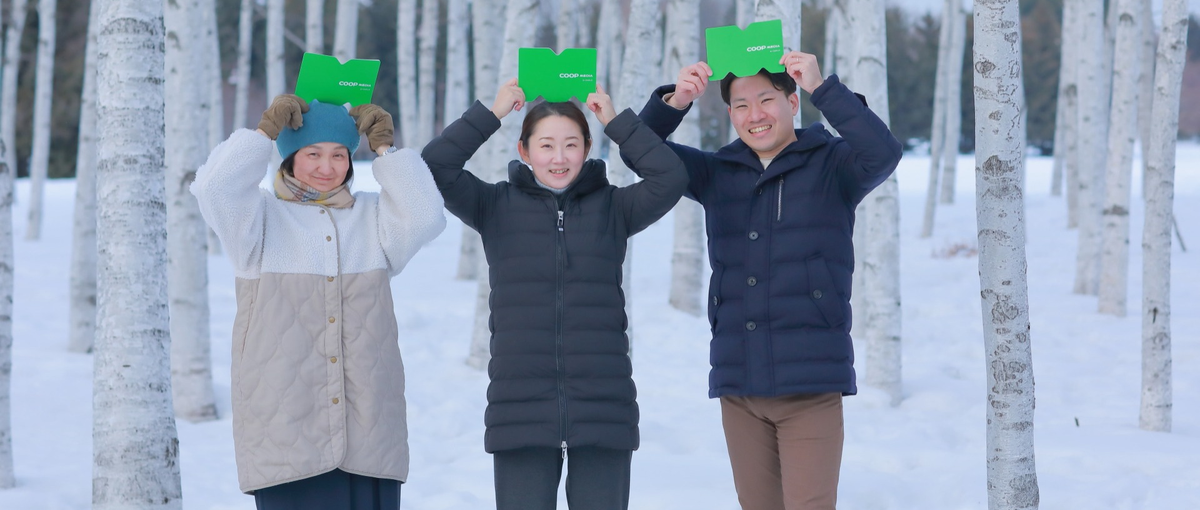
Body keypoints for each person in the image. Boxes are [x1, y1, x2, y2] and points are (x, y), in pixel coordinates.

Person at [628, 52, 904, 510]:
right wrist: (675, 101)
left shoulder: (834, 165)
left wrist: (824, 88)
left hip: (811, 384)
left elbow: (884, 152)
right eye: (740, 105)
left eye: (766, 99)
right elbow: (639, 150)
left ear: (792, 102)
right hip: (740, 385)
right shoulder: (715, 172)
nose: (754, 115)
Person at [421, 79, 687, 510]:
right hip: (520, 412)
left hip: (603, 409)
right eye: (546, 145)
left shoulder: (615, 208)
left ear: (587, 148)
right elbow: (435, 166)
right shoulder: (494, 206)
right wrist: (491, 114)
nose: (559, 158)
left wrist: (616, 122)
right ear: (524, 151)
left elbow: (670, 177)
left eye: (571, 144)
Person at [191, 95, 447, 509]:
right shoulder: (258, 222)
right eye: (312, 153)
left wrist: (385, 149)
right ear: (289, 158)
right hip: (288, 435)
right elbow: (214, 189)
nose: (327, 168)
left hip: (368, 433)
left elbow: (426, 216)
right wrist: (263, 134)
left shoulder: (373, 218)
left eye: (340, 155)